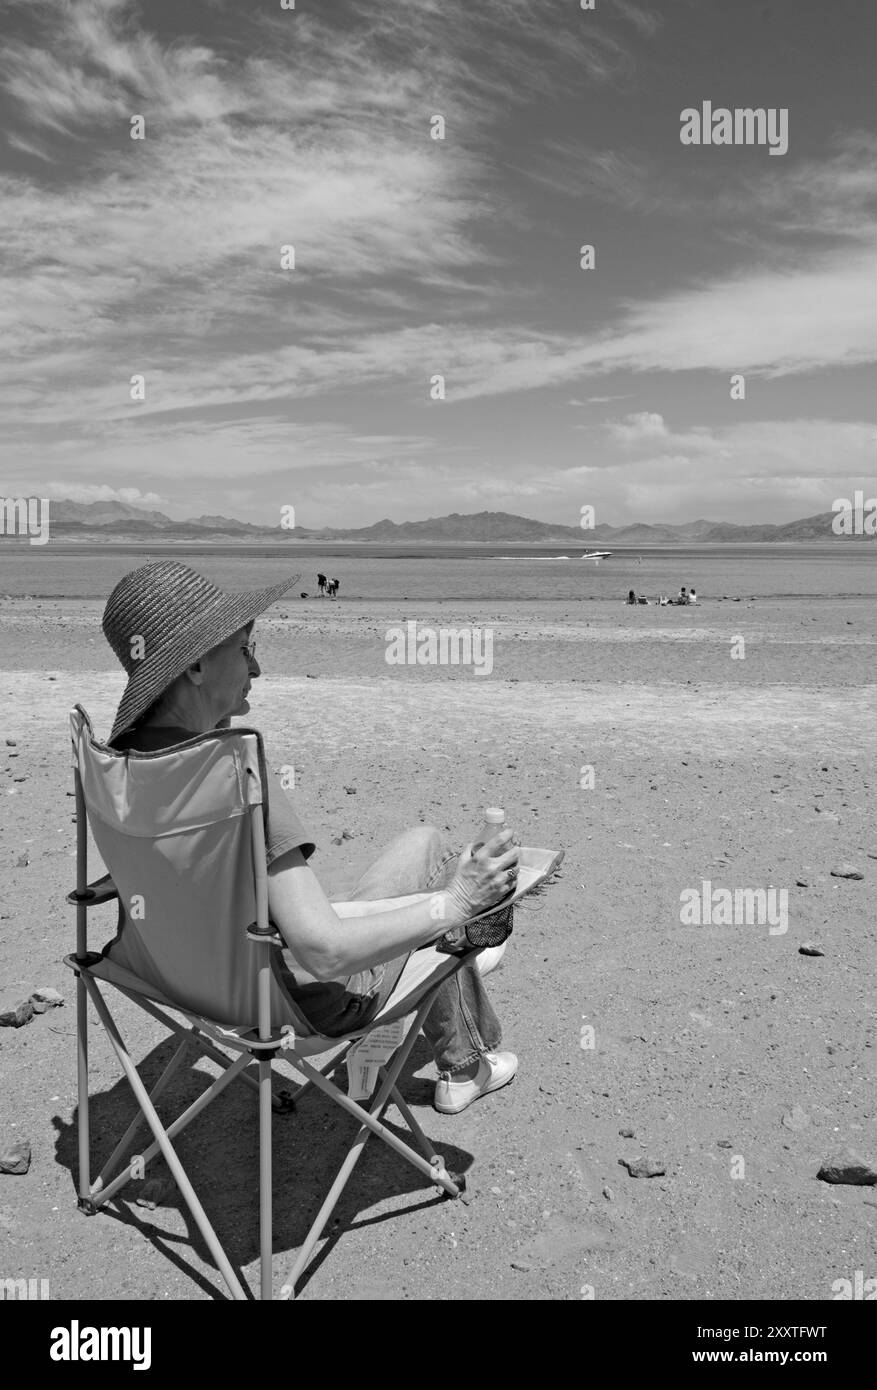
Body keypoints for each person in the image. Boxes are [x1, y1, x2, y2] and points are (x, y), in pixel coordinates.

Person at [101, 560, 519, 1115]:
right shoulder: (233, 777)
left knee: (420, 842)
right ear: (197, 664)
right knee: (451, 892)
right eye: (245, 647)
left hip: (194, 982)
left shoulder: (124, 773)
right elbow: (325, 952)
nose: (257, 665)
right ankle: (464, 1062)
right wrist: (458, 904)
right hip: (307, 1000)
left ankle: (453, 967)